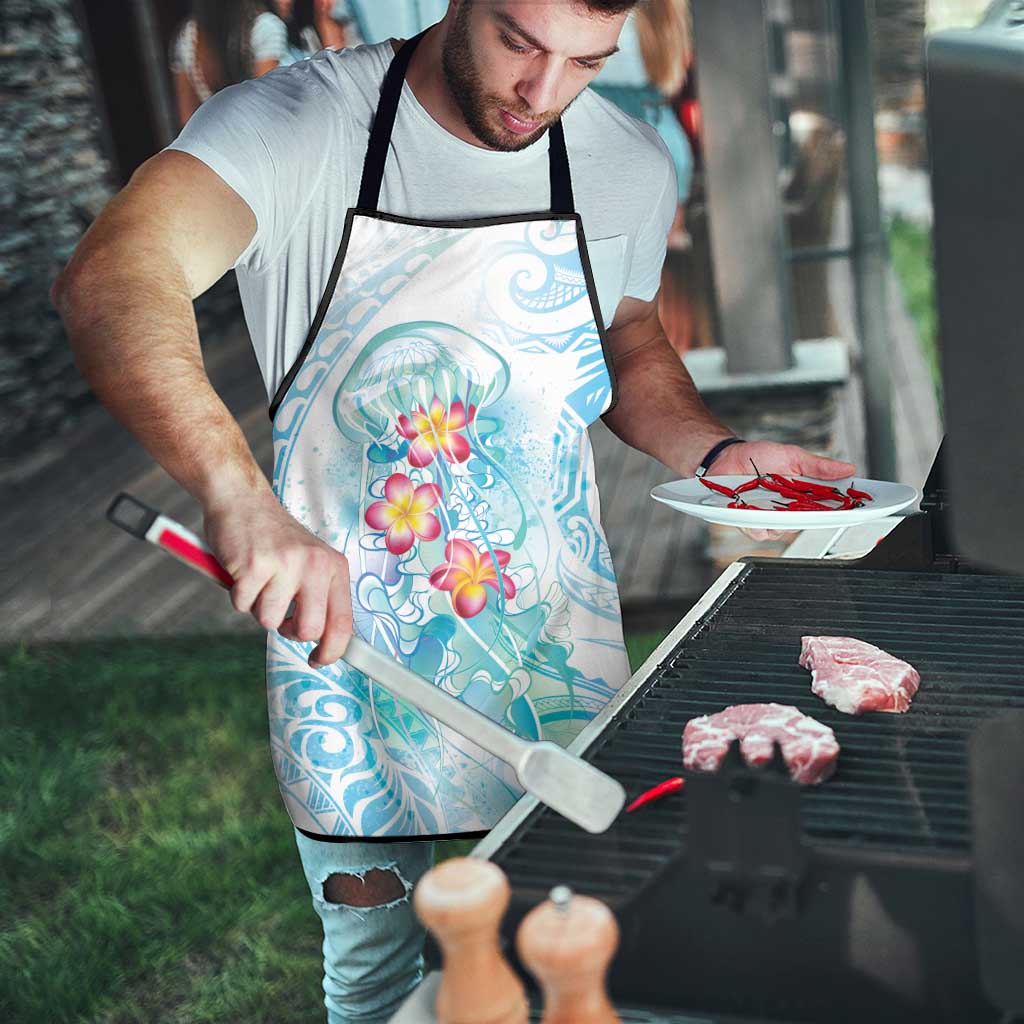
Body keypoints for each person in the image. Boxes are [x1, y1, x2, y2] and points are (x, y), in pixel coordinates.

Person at [52, 2, 856, 1020]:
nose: (543, 93)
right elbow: (114, 275)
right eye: (520, 42)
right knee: (377, 976)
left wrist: (716, 450)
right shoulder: (297, 126)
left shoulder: (624, 161)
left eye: (586, 62)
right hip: (348, 655)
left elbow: (626, 337)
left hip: (552, 644)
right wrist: (237, 495)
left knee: (590, 951)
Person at [169, 0, 289, 127]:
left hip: (216, 135)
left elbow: (187, 120)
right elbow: (266, 107)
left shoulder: (188, 37)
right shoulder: (265, 27)